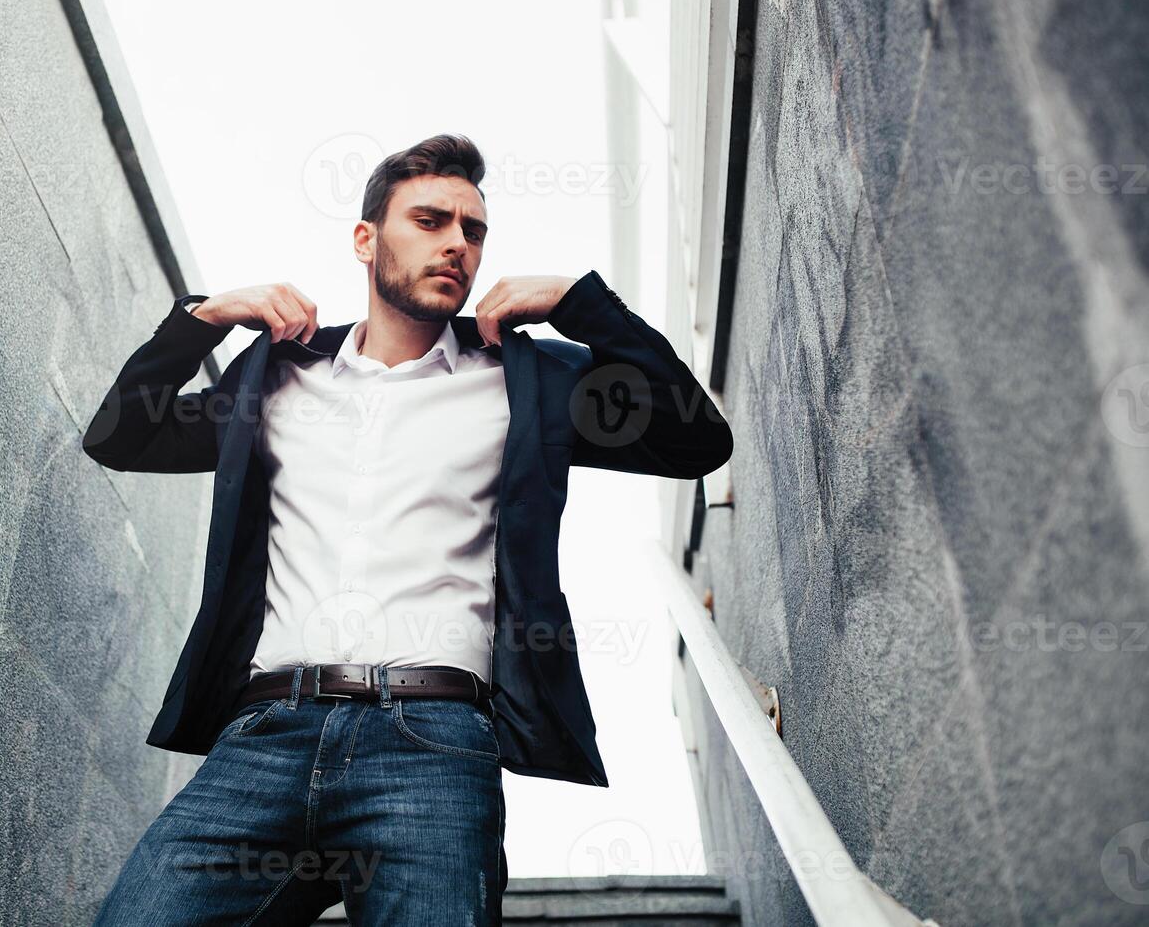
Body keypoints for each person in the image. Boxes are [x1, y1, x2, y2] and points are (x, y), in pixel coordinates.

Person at [83, 133, 733, 925]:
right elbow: (119, 436)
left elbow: (697, 440)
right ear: (366, 239)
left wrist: (581, 304)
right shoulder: (277, 378)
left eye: (473, 230)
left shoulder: (526, 381)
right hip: (263, 737)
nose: (457, 244)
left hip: (430, 744)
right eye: (430, 220)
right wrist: (203, 321)